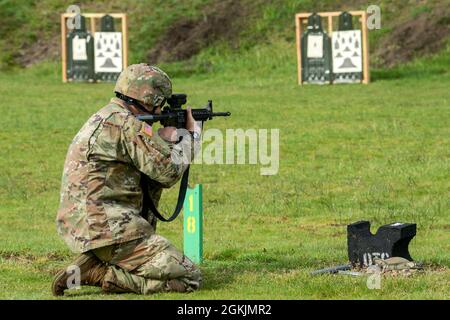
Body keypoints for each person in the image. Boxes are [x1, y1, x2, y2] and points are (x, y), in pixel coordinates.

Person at [52, 63, 202, 296]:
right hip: (109, 228)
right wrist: (190, 138)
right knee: (189, 276)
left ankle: (96, 262)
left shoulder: (106, 116)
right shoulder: (129, 125)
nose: (161, 111)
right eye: (159, 104)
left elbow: (152, 175)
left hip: (84, 224)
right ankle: (103, 274)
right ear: (149, 98)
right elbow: (169, 173)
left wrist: (162, 140)